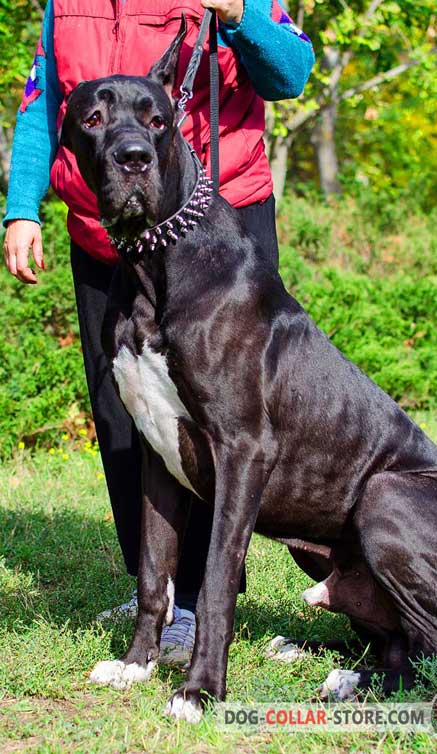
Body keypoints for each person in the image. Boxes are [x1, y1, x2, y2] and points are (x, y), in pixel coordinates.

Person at [3, 0, 314, 664]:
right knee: (126, 416)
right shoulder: (68, 4)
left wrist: (241, 16)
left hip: (214, 227)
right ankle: (159, 591)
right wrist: (22, 206)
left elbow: (291, 73)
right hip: (103, 230)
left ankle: (203, 600)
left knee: (225, 417)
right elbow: (44, 104)